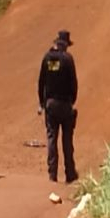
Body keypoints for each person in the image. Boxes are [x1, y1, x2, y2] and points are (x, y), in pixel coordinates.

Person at [37, 30, 79, 183]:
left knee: (51, 138)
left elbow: (41, 82)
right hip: (65, 104)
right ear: (65, 44)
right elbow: (74, 83)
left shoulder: (47, 58)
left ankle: (52, 173)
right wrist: (71, 101)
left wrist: (42, 103)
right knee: (67, 141)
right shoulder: (68, 59)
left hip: (51, 104)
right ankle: (69, 173)